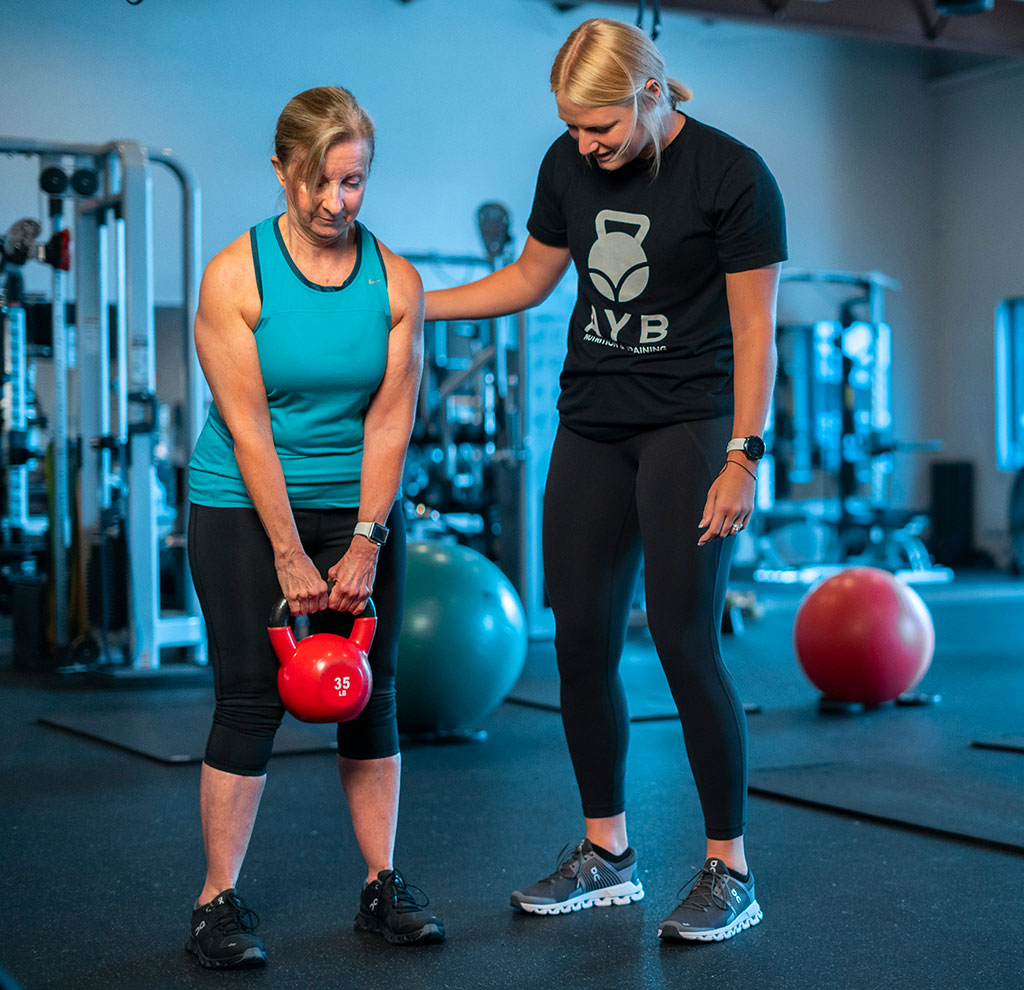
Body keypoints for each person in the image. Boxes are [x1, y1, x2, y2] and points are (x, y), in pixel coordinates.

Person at [424, 18, 786, 943]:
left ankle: (728, 868)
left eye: (601, 128)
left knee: (680, 638)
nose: (586, 146)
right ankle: (608, 854)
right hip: (591, 420)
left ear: (651, 95)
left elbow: (755, 331)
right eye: (574, 129)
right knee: (579, 639)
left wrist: (746, 452)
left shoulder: (732, 175)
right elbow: (530, 278)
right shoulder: (566, 161)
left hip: (691, 425)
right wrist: (412, 299)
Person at [185, 85, 444, 969]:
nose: (338, 203)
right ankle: (216, 899)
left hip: (359, 504)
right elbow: (250, 427)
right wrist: (290, 551)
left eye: (356, 183)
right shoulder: (234, 277)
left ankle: (382, 885)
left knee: (372, 694)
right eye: (322, 183)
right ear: (282, 171)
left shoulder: (398, 282)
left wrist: (367, 537)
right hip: (243, 505)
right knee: (251, 696)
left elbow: (389, 422)